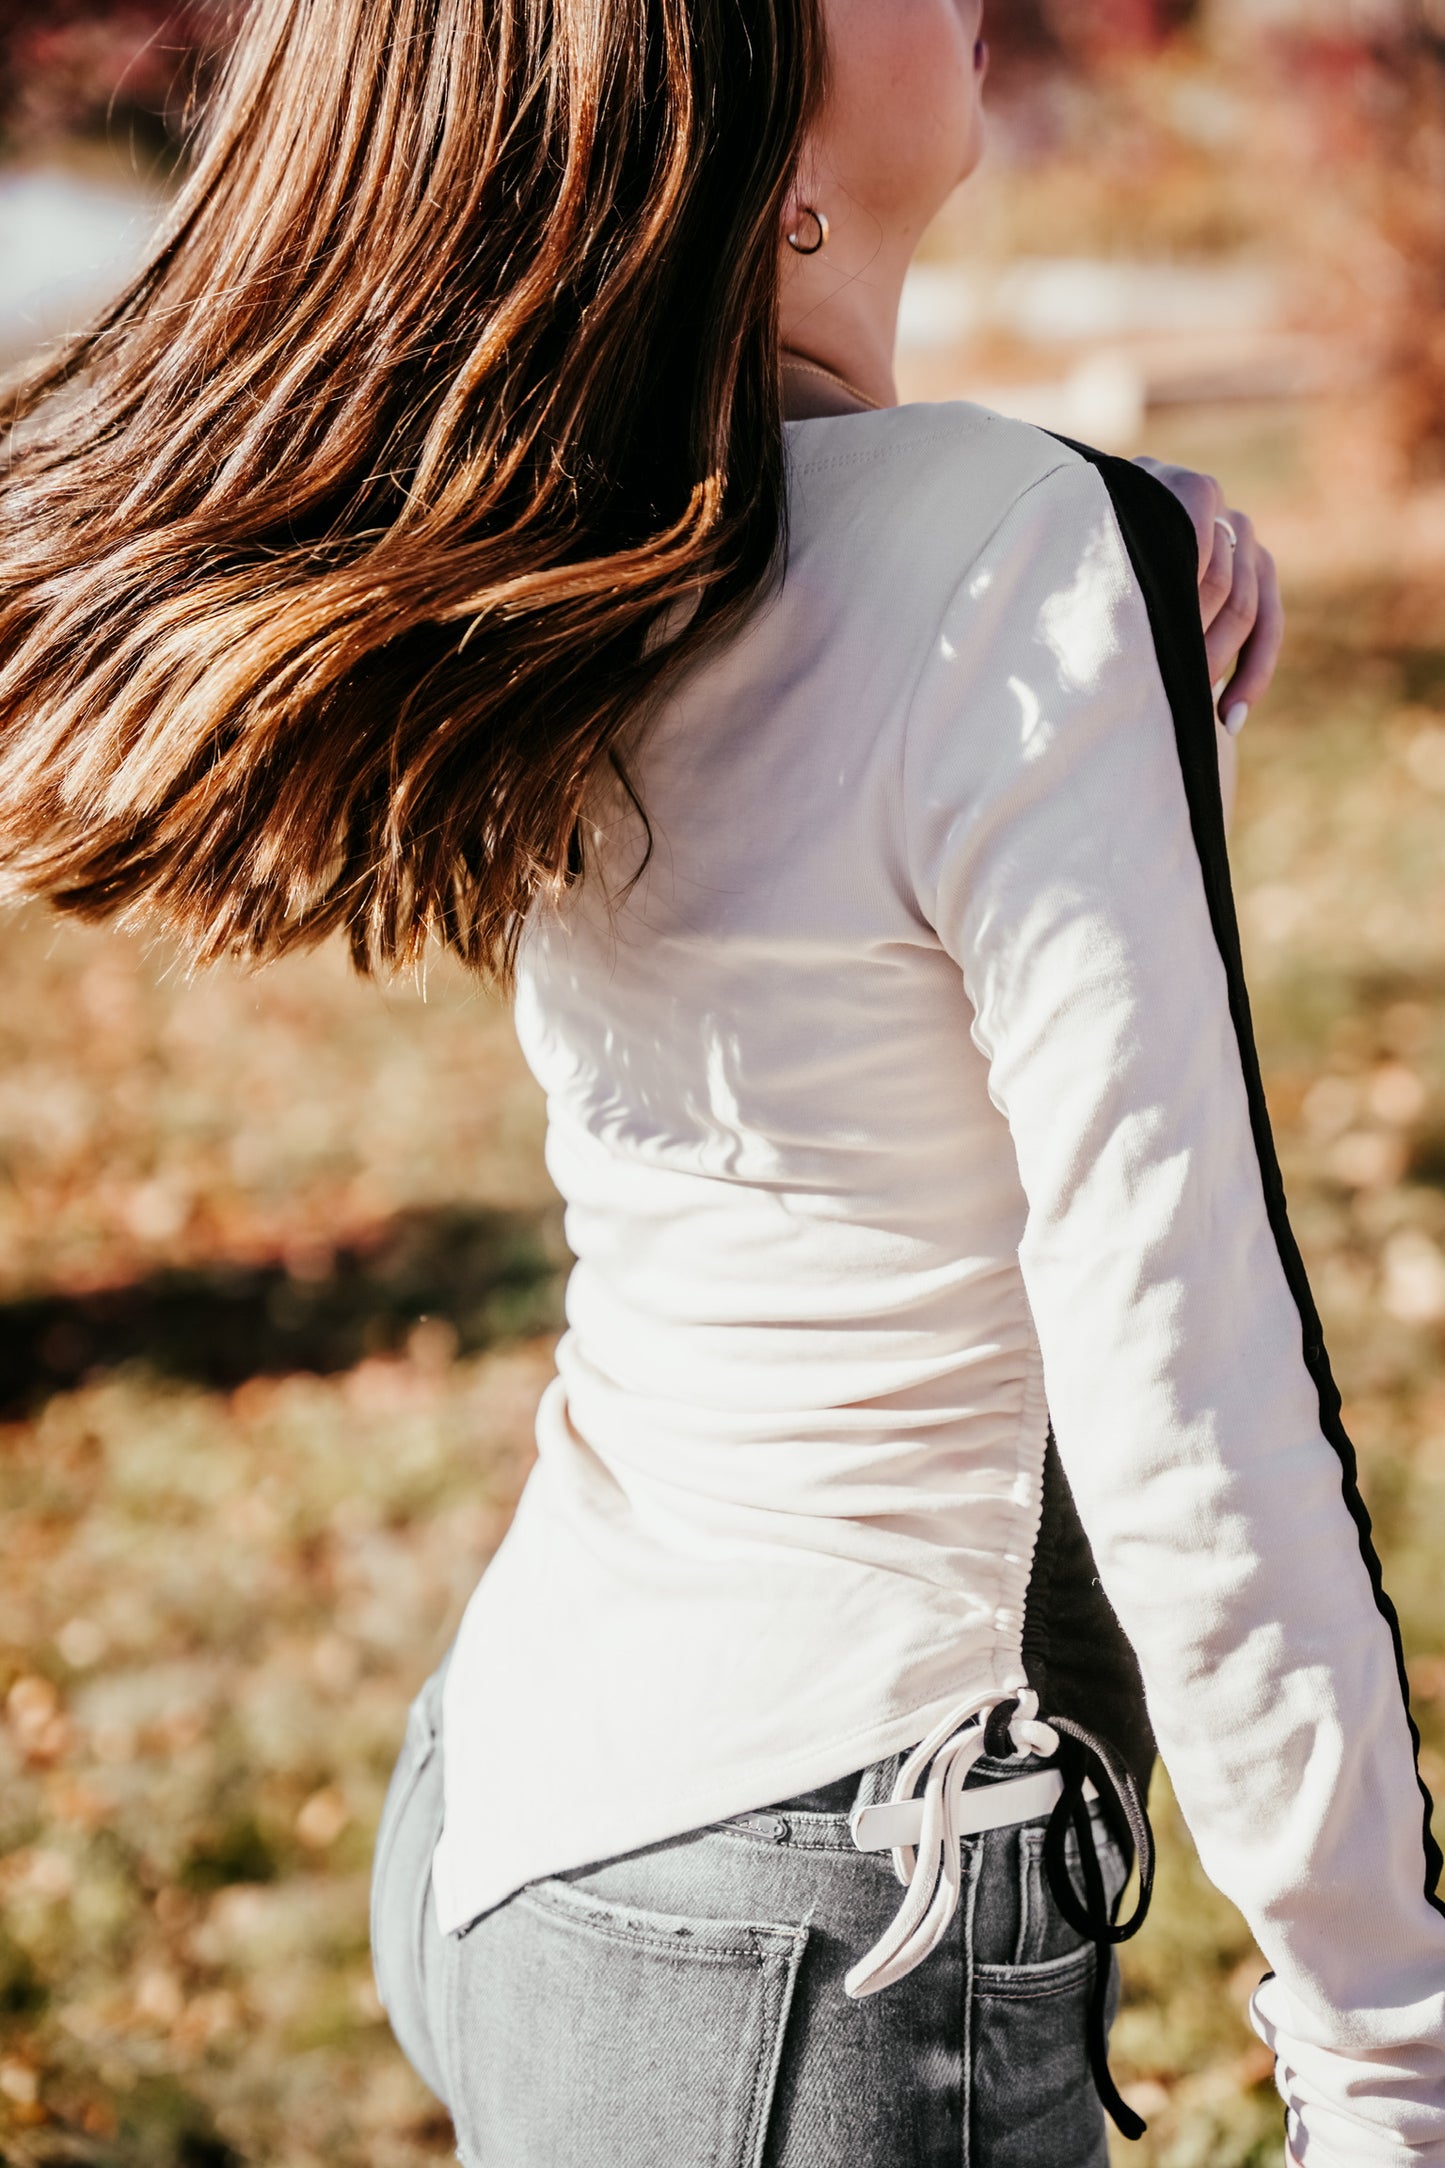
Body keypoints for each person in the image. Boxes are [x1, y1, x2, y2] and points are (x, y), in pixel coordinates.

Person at [0, 0, 1439, 2162]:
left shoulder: (625, 558)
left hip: (529, 1807)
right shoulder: (993, 556)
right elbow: (1189, 1392)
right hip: (810, 1923)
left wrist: (1127, 599)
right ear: (753, 136)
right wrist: (1387, 2054)